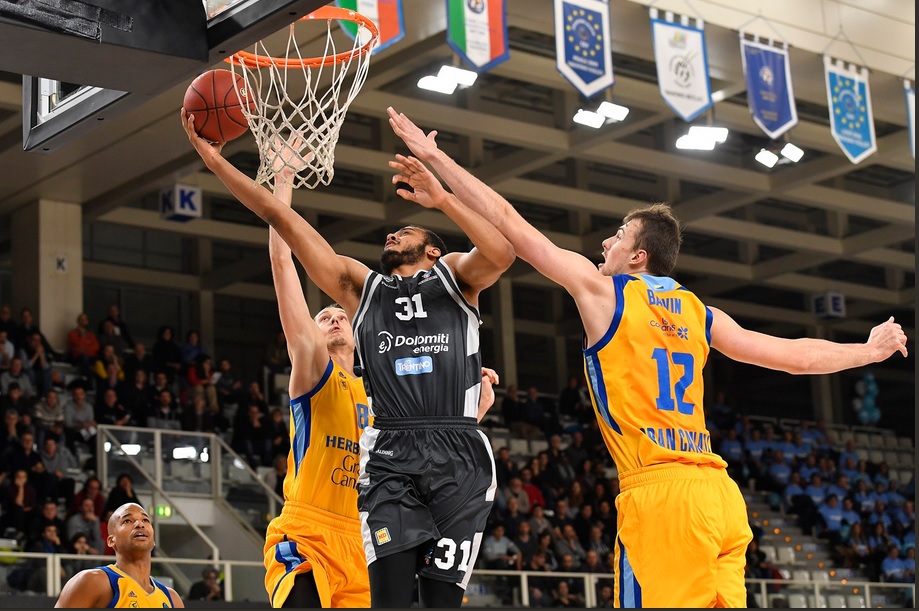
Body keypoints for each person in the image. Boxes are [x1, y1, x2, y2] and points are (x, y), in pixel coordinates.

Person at [385, 106, 910, 608]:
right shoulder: (701, 313)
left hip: (662, 498)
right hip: (720, 497)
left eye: (616, 238)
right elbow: (794, 358)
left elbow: (509, 222)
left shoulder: (603, 292)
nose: (605, 244)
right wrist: (867, 350)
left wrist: (438, 163)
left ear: (638, 256)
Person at [182, 108, 514, 608]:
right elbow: (283, 225)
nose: (391, 235)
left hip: (452, 449)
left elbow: (501, 251)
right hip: (377, 470)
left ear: (433, 252)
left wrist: (442, 197)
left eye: (406, 232)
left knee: (441, 602)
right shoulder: (361, 292)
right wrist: (218, 164)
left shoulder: (455, 280)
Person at [55, 502, 184, 607]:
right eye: (127, 521)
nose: (139, 524)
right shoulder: (92, 581)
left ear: (153, 540)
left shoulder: (172, 599)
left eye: (145, 520)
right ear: (111, 540)